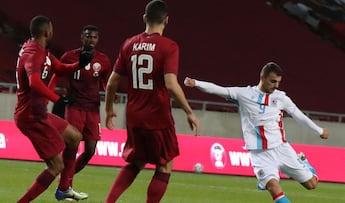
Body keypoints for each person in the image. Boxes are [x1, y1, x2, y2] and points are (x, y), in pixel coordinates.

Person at [184, 62, 329, 203]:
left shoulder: (281, 98)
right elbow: (218, 89)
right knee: (274, 188)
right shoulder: (243, 94)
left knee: (312, 184)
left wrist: (319, 130)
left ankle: (303, 161)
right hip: (259, 153)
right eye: (273, 81)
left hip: (281, 148)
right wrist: (196, 83)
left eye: (278, 82)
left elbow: (299, 115)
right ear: (262, 77)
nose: (276, 85)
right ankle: (266, 181)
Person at [104, 1, 200, 202]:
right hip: (157, 115)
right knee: (164, 165)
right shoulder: (169, 46)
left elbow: (112, 82)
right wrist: (189, 111)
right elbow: (171, 84)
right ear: (166, 20)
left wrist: (109, 109)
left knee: (136, 161)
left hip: (134, 116)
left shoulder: (128, 43)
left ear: (144, 18)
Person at [14, 15, 92, 202]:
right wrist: (57, 99)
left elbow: (60, 68)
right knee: (56, 165)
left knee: (74, 137)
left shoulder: (42, 51)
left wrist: (79, 65)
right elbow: (34, 82)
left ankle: (64, 189)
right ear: (47, 32)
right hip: (32, 117)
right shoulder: (33, 53)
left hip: (39, 113)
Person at [49, 25, 112, 193]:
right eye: (87, 36)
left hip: (93, 109)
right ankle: (65, 185)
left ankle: (65, 178)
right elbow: (56, 75)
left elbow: (107, 83)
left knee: (90, 150)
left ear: (98, 40)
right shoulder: (69, 56)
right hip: (75, 107)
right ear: (81, 38)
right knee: (72, 146)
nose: (91, 40)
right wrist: (50, 94)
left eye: (94, 37)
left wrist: (110, 101)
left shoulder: (103, 60)